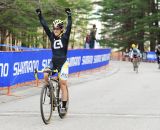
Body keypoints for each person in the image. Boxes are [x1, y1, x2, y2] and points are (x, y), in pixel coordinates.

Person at [36, 8, 72, 113]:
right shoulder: (51, 36)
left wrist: (69, 15)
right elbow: (44, 26)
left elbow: (69, 26)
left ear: (61, 29)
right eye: (54, 28)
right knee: (46, 75)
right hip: (54, 62)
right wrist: (39, 15)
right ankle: (49, 90)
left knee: (62, 83)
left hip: (63, 63)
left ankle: (64, 106)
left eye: (58, 28)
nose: (55, 30)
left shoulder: (65, 37)